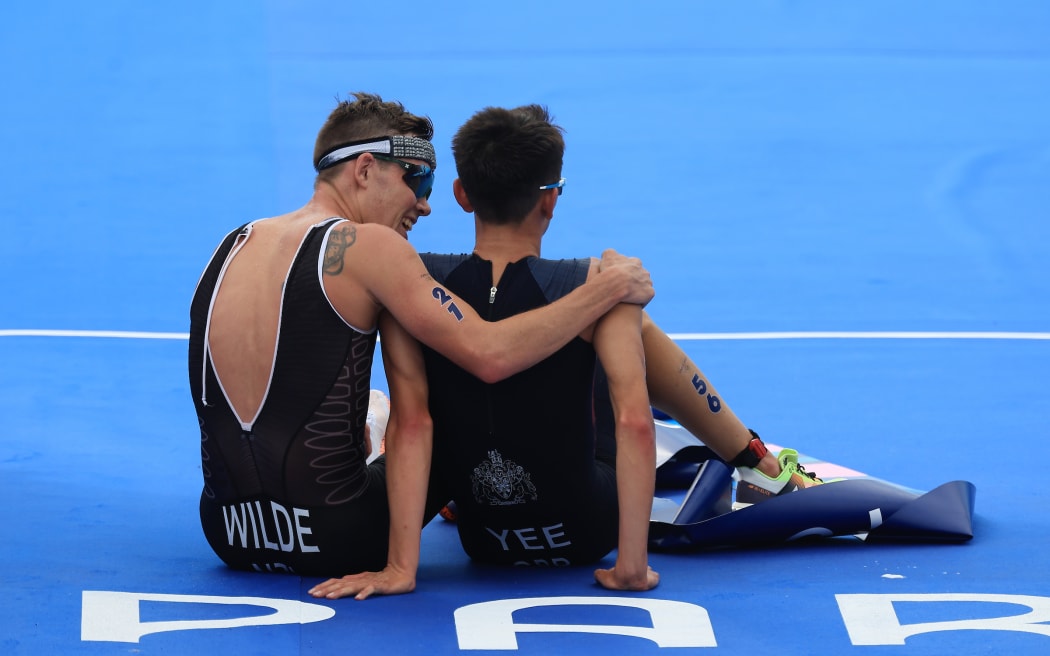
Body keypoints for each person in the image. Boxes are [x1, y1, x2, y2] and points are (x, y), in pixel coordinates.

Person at [308, 104, 821, 600]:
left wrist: (402, 566)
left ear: (463, 195)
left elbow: (414, 424)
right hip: (586, 533)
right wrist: (631, 569)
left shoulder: (416, 277)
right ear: (550, 199)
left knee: (434, 394)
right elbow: (635, 424)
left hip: (483, 539)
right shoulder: (597, 279)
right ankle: (758, 463)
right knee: (618, 321)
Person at [188, 93, 654, 577]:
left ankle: (371, 425)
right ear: (364, 169)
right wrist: (609, 289)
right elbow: (489, 353)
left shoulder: (234, 243)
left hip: (228, 532)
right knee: (448, 410)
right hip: (341, 535)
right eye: (417, 179)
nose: (425, 204)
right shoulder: (370, 247)